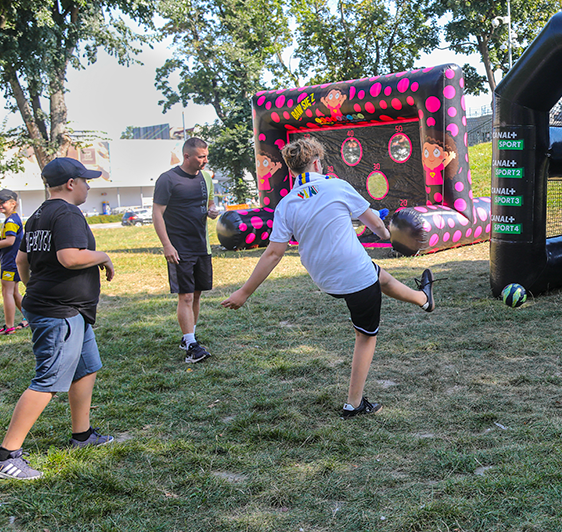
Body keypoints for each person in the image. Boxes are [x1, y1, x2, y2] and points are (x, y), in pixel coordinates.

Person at [221, 137, 436, 419]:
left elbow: (273, 254)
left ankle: (423, 299)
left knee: (379, 277)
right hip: (354, 276)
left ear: (291, 168)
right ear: (316, 162)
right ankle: (354, 404)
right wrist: (384, 230)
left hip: (325, 280)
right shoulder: (338, 186)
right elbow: (380, 231)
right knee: (365, 335)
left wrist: (244, 293)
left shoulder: (286, 204)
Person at [0, 158, 115, 480]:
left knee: (87, 367)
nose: (89, 186)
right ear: (71, 183)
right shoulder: (68, 213)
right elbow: (70, 257)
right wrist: (104, 257)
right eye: (86, 181)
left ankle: (82, 434)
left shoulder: (38, 214)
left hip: (68, 308)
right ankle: (5, 456)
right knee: (48, 380)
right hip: (59, 311)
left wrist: (36, 287)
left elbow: (21, 260)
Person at [153, 137, 219, 364]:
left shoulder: (207, 177)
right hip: (179, 247)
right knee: (187, 295)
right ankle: (191, 344)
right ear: (187, 156)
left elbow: (209, 202)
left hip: (202, 245)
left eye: (206, 156)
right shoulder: (168, 179)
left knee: (198, 293)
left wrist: (212, 210)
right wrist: (166, 245)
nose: (205, 160)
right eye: (201, 156)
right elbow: (157, 214)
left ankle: (188, 335)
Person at [0, 189, 28, 334]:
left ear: (13, 203)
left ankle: (9, 326)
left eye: (3, 202)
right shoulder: (12, 218)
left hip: (11, 262)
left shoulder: (12, 220)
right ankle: (28, 318)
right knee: (13, 292)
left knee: (6, 292)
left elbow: (10, 241)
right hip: (12, 261)